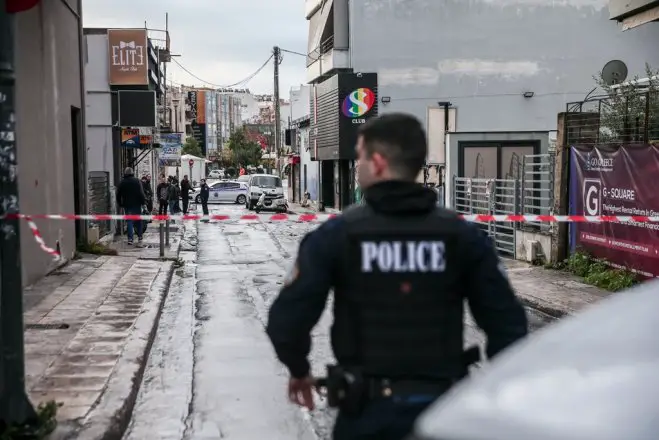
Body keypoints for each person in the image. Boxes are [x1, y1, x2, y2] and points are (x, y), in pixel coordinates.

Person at [265, 113, 529, 440]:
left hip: (365, 416)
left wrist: (299, 371)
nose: (357, 165)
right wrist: (498, 399)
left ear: (377, 163)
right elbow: (509, 326)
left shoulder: (337, 236)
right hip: (443, 414)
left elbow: (286, 322)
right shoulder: (463, 237)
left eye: (360, 156)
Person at [116, 167, 145, 245]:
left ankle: (130, 239)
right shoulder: (137, 181)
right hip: (137, 204)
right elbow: (141, 193)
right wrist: (143, 202)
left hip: (127, 205)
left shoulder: (122, 182)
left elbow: (118, 194)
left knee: (129, 221)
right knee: (138, 221)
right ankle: (140, 237)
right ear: (132, 173)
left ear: (125, 173)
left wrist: (120, 203)